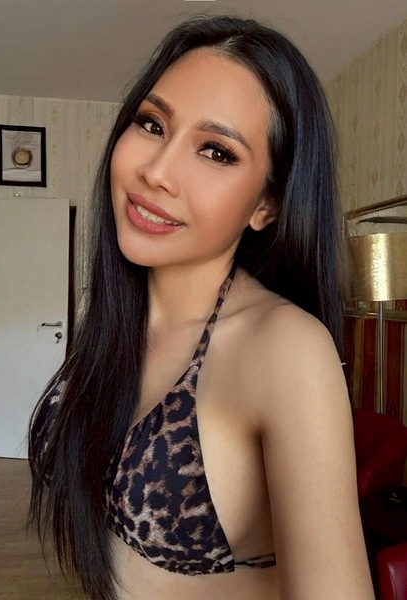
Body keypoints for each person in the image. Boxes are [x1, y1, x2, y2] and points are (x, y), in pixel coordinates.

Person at [29, 14, 375, 600]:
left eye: (216, 151)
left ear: (267, 204)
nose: (156, 172)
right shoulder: (114, 316)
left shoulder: (285, 347)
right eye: (152, 123)